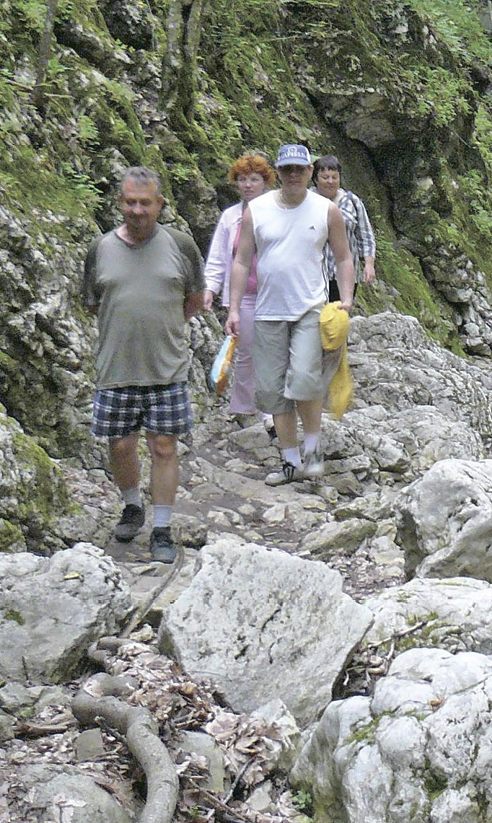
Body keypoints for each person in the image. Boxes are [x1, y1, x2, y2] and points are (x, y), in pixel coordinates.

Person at [80, 167, 204, 563]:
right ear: (120, 203)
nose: (137, 210)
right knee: (120, 445)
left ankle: (163, 528)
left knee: (164, 447)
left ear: (160, 205)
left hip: (166, 366)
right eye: (130, 202)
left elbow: (195, 299)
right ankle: (133, 504)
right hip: (116, 367)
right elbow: (94, 303)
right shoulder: (99, 250)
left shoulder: (181, 246)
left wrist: (165, 327)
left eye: (145, 203)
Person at [228, 143, 355, 485]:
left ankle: (313, 450)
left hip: (309, 309)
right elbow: (241, 261)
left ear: (310, 173)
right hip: (268, 311)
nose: (294, 175)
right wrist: (235, 306)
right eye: (288, 170)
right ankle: (290, 461)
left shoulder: (326, 211)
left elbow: (344, 257)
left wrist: (345, 299)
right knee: (271, 390)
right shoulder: (257, 210)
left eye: (301, 169)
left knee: (304, 380)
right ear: (279, 173)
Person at [201, 152, 277, 414]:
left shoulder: (278, 213)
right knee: (244, 352)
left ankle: (272, 409)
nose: (247, 185)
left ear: (265, 183)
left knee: (271, 351)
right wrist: (210, 287)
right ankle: (244, 407)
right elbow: (218, 257)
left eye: (254, 179)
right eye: (242, 179)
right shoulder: (230, 216)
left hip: (273, 294)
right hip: (242, 294)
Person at [312, 154, 377, 303]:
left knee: (337, 319)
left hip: (344, 275)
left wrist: (369, 265)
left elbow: (365, 235)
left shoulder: (352, 201)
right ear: (315, 179)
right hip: (313, 274)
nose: (330, 182)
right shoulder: (307, 200)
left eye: (334, 177)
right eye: (325, 177)